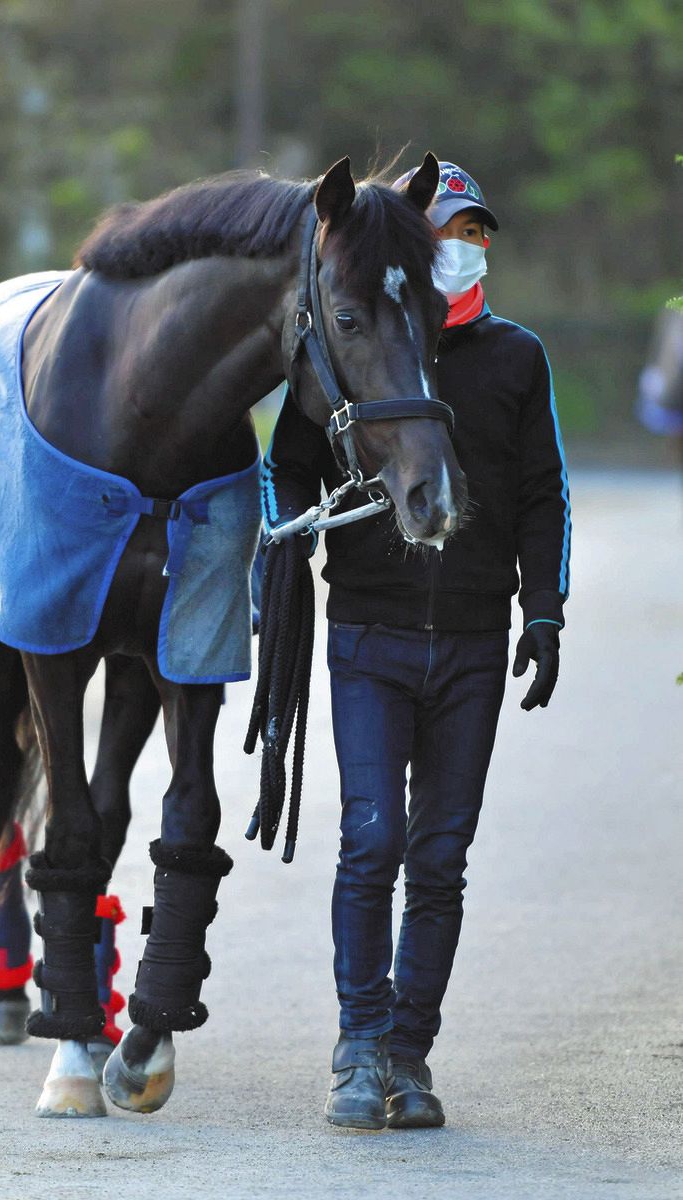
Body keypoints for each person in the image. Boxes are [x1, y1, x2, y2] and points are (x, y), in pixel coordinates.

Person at [260, 160, 571, 1130]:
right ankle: (357, 1048)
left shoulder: (515, 358)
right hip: (367, 633)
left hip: (474, 641)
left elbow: (538, 493)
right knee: (373, 840)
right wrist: (281, 557)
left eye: (478, 231)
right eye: (449, 231)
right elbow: (286, 469)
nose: (463, 247)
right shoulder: (367, 345)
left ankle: (408, 1056)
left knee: (439, 856)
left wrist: (545, 610)